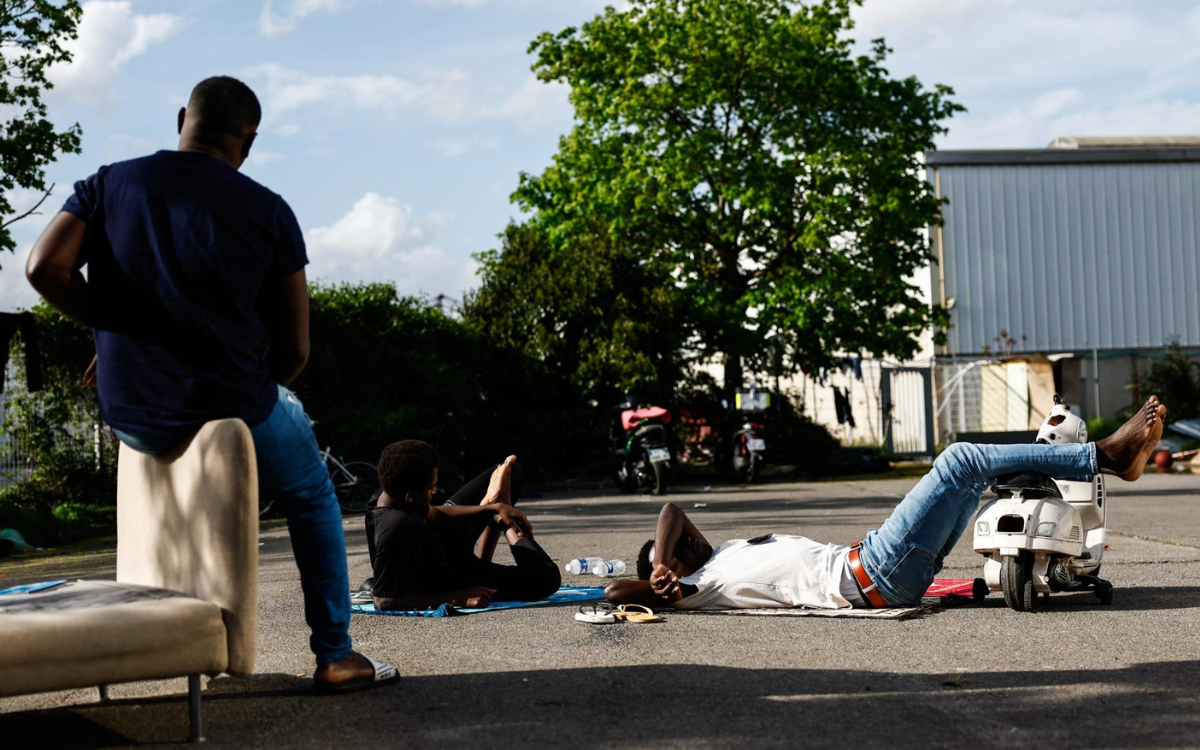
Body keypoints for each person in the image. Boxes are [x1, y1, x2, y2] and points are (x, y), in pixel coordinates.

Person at [24, 76, 398, 694]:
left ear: (181, 118)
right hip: (227, 404)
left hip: (131, 412)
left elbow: (44, 268)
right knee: (311, 493)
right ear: (247, 142)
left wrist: (118, 334)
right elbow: (296, 350)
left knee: (270, 421)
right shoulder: (268, 210)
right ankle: (336, 654)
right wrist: (254, 397)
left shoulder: (109, 182)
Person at [605, 397, 1167, 610]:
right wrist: (658, 575)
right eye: (683, 551)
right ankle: (1106, 458)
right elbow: (614, 592)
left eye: (683, 543)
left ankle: (1087, 487)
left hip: (877, 562)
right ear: (671, 571)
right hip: (875, 573)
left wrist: (667, 549)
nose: (690, 539)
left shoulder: (719, 552)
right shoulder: (701, 588)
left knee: (978, 480)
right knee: (959, 461)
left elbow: (673, 511)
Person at [366, 441, 561, 612]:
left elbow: (436, 513)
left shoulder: (392, 495)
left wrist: (495, 508)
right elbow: (385, 600)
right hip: (451, 576)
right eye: (431, 487)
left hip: (440, 542)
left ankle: (496, 505)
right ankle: (504, 524)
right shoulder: (392, 527)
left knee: (513, 473)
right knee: (546, 577)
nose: (435, 491)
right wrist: (458, 597)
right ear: (410, 496)